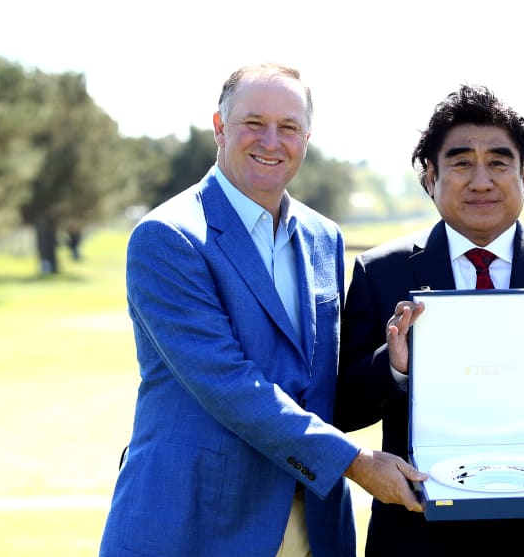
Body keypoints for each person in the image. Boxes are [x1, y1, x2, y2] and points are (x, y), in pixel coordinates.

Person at [99, 62, 426, 557]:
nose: (271, 141)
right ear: (219, 127)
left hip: (313, 525)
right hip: (196, 523)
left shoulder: (324, 238)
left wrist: (393, 366)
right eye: (253, 123)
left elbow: (316, 385)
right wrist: (356, 462)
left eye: (289, 127)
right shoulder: (168, 237)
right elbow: (229, 385)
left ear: (306, 138)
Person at [333, 84, 524, 557]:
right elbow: (345, 409)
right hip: (416, 537)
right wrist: (394, 367)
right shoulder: (381, 272)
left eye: (498, 162)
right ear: (430, 176)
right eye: (460, 163)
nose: (481, 181)